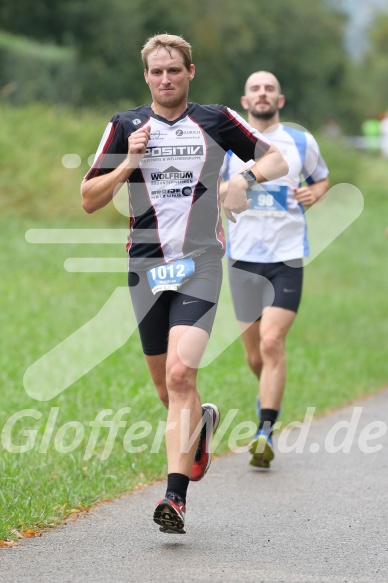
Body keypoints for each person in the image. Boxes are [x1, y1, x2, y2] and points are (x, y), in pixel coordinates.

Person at [81, 37, 288, 534]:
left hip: (200, 264)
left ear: (190, 71)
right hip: (146, 268)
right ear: (146, 77)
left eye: (174, 70)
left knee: (179, 376)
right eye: (157, 72)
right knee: (165, 385)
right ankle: (201, 428)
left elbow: (276, 159)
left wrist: (245, 179)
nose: (166, 79)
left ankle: (175, 499)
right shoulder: (124, 125)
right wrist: (128, 163)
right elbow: (88, 198)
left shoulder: (215, 119)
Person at [220, 71, 329, 469]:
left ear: (279, 100)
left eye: (269, 88)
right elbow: (209, 188)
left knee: (271, 343)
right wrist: (230, 187)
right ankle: (266, 393)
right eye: (255, 89)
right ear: (245, 101)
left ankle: (265, 430)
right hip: (243, 258)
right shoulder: (230, 141)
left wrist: (312, 193)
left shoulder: (301, 141)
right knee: (254, 355)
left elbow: (321, 179)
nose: (262, 94)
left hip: (286, 258)